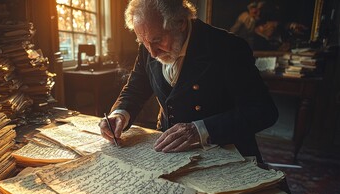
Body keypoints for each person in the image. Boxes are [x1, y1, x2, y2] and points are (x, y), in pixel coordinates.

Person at [99, 0, 278, 163]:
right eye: (143, 42)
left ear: (181, 23)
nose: (152, 52)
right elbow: (136, 88)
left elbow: (263, 110)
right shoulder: (148, 44)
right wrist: (120, 114)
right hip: (169, 151)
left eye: (157, 40)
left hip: (224, 152)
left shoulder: (227, 47)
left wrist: (200, 130)